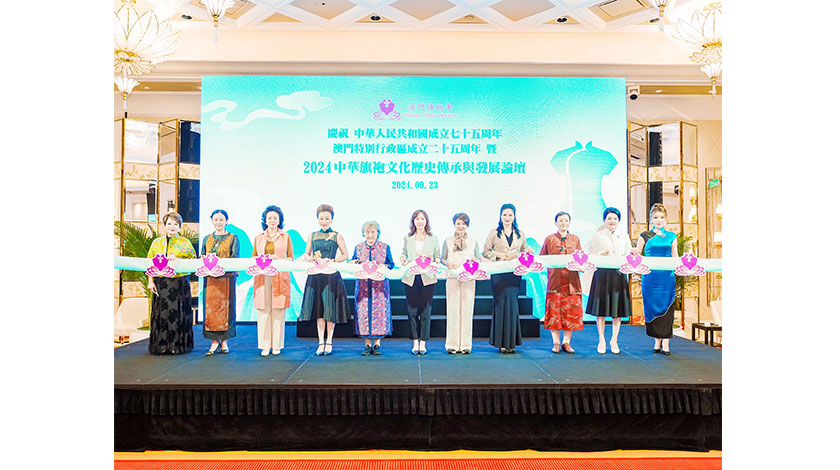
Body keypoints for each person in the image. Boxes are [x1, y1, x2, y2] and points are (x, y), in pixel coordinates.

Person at [300, 204, 349, 356]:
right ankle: (321, 342)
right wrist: (310, 259)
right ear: (317, 219)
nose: (324, 221)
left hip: (331, 276)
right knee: (319, 309)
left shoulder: (337, 235)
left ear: (332, 219)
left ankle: (330, 341)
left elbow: (345, 255)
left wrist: (333, 260)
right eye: (321, 218)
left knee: (329, 309)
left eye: (327, 218)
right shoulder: (312, 235)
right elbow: (306, 254)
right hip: (316, 276)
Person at [483, 203, 531, 354]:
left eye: (510, 215)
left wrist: (524, 254)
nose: (507, 218)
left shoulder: (520, 233)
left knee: (512, 306)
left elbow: (525, 252)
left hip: (514, 274)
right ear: (500, 216)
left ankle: (512, 343)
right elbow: (486, 252)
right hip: (499, 274)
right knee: (500, 306)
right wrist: (499, 255)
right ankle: (501, 343)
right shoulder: (494, 233)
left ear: (514, 216)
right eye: (505, 215)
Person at [147, 211, 197, 355]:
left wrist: (178, 259)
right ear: (164, 225)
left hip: (179, 283)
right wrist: (150, 281)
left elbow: (193, 262)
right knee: (162, 314)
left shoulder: (185, 243)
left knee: (178, 313)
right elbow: (149, 263)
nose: (172, 226)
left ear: (180, 226)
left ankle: (178, 346)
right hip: (161, 283)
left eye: (176, 224)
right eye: (169, 223)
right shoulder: (156, 243)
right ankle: (161, 346)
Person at [586, 207, 633, 354]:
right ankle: (601, 340)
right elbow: (590, 254)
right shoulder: (597, 236)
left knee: (616, 311)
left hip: (618, 275)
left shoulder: (624, 236)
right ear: (604, 220)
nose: (612, 221)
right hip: (602, 275)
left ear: (618, 221)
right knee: (600, 310)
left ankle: (614, 340)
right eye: (609, 218)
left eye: (615, 218)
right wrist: (600, 254)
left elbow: (628, 254)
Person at [636, 203, 678, 356]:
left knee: (667, 306)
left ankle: (666, 342)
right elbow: (638, 253)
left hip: (666, 278)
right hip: (650, 278)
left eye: (661, 217)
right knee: (651, 307)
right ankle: (656, 341)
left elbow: (675, 257)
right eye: (655, 217)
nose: (659, 220)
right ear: (651, 219)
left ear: (666, 220)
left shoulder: (672, 237)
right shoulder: (644, 235)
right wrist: (634, 252)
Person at [252, 205, 294, 357]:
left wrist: (278, 259)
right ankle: (265, 346)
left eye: (275, 218)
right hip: (262, 277)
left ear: (279, 220)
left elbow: (291, 258)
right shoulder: (259, 237)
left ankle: (276, 345)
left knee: (278, 311)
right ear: (265, 220)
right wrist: (264, 259)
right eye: (269, 217)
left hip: (279, 276)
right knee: (263, 311)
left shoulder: (285, 236)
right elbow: (253, 257)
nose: (272, 220)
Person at [539, 211, 583, 354]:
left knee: (571, 312)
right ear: (555, 223)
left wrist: (581, 266)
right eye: (561, 220)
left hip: (572, 283)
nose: (563, 223)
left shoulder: (575, 239)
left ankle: (567, 342)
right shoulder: (549, 239)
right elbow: (542, 258)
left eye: (566, 220)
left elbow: (581, 258)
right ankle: (556, 342)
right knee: (554, 313)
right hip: (555, 283)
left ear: (569, 222)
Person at [441, 213, 483, 354]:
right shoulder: (448, 241)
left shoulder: (473, 241)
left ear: (467, 225)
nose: (461, 226)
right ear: (454, 224)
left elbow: (478, 259)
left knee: (467, 311)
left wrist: (475, 262)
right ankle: (452, 344)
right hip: (452, 278)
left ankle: (465, 344)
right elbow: (442, 259)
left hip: (469, 279)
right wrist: (448, 263)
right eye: (458, 223)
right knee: (452, 311)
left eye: (463, 224)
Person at [400, 209, 440, 355]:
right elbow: (403, 254)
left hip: (427, 277)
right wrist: (403, 259)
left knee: (425, 311)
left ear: (426, 221)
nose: (420, 221)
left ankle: (423, 342)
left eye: (422, 219)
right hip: (411, 277)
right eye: (417, 219)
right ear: (413, 221)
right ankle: (414, 342)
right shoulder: (408, 238)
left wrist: (431, 259)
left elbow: (438, 258)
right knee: (412, 312)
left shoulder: (433, 238)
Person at [350, 220, 394, 356]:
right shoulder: (358, 247)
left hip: (379, 288)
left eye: (373, 232)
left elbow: (391, 264)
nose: (370, 235)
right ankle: (367, 345)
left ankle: (377, 344)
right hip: (363, 287)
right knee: (364, 313)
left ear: (378, 233)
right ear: (363, 233)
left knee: (379, 313)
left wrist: (384, 266)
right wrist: (353, 263)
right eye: (367, 232)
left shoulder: (384, 247)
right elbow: (353, 262)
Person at [201, 209, 240, 356]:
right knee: (210, 311)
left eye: (221, 220)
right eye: (216, 220)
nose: (218, 222)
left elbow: (235, 258)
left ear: (226, 221)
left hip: (226, 279)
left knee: (226, 310)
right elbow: (202, 256)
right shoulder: (207, 238)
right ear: (212, 221)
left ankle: (224, 341)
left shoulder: (233, 238)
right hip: (210, 280)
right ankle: (213, 341)